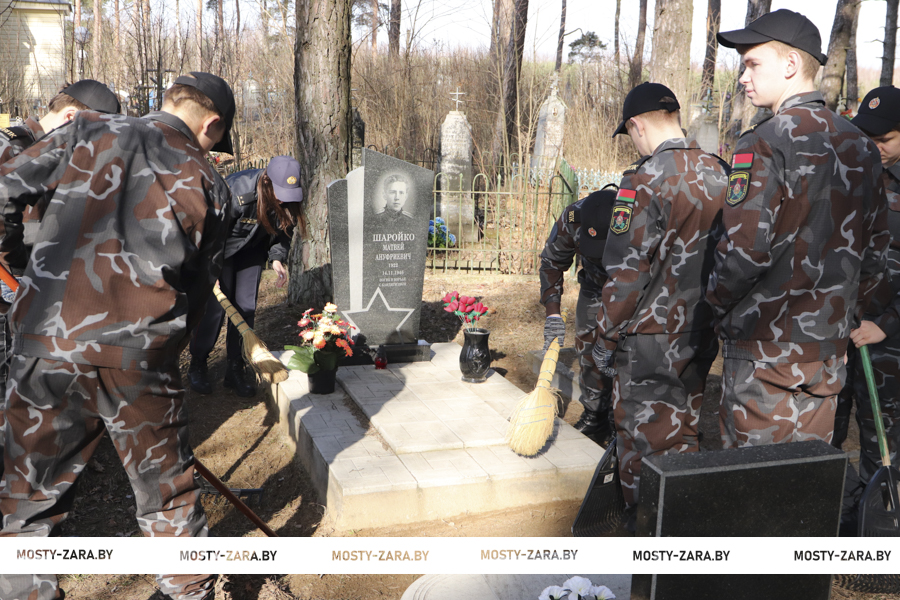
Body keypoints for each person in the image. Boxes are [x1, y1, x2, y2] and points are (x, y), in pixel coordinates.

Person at [0, 71, 235, 600]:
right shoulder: (209, 182)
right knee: (168, 497)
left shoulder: (85, 131)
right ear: (212, 125)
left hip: (47, 342)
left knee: (26, 502)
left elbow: (3, 190)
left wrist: (21, 267)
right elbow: (199, 296)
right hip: (141, 356)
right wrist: (162, 353)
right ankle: (187, 590)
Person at [708, 10, 889, 450]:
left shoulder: (764, 141)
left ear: (790, 64)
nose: (743, 78)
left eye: (753, 64)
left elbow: (743, 253)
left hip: (763, 349)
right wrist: (843, 317)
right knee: (804, 482)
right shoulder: (862, 146)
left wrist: (713, 305)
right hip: (826, 351)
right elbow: (876, 253)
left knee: (750, 482)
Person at [596, 82, 728, 525]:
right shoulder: (722, 172)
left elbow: (626, 274)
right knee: (684, 428)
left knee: (641, 439)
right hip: (702, 329)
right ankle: (681, 526)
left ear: (636, 125)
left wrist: (603, 338)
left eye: (629, 133)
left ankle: (646, 534)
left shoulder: (642, 181)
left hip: (649, 338)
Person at [0, 79, 121, 478]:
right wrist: (23, 271)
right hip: (13, 287)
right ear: (71, 117)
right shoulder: (13, 147)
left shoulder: (47, 148)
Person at [831, 85, 900, 535]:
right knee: (825, 435)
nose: (874, 147)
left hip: (886, 343)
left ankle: (877, 536)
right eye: (867, 138)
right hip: (837, 330)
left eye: (885, 139)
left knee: (882, 444)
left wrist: (887, 325)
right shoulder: (850, 177)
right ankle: (835, 524)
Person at [188, 155, 304, 397]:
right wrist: (209, 267)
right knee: (215, 309)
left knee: (245, 308)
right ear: (267, 181)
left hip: (252, 252)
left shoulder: (288, 199)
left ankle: (235, 367)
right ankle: (198, 362)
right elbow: (210, 231)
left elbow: (284, 232)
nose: (284, 199)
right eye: (280, 192)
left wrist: (276, 258)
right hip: (221, 251)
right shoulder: (236, 190)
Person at [539, 185, 617, 446]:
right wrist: (553, 315)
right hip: (594, 285)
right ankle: (595, 416)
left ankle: (622, 422)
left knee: (627, 351)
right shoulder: (572, 218)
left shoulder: (636, 216)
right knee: (588, 345)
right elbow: (552, 262)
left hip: (636, 288)